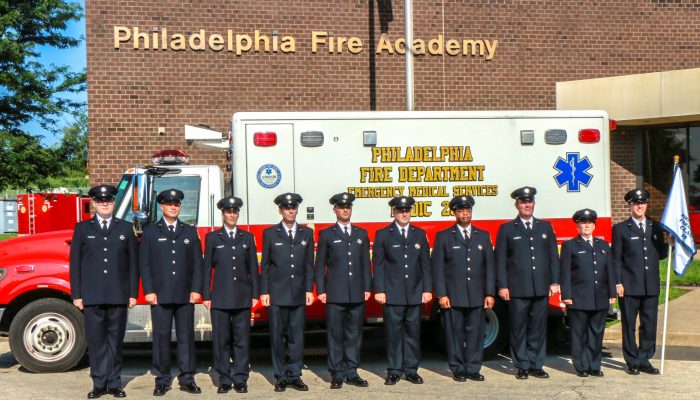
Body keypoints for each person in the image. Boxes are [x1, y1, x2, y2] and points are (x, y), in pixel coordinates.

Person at [69, 185, 138, 399]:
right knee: (97, 341)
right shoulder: (82, 229)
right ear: (95, 204)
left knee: (115, 342)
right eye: (101, 201)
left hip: (118, 295)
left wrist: (132, 293)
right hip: (92, 296)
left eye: (108, 200)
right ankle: (99, 383)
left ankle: (115, 383)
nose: (105, 203)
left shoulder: (125, 228)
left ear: (113, 203)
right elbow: (75, 265)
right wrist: (77, 294)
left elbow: (133, 265)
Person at [139, 189, 203, 396]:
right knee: (161, 338)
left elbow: (197, 264)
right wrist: (148, 290)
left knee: (186, 338)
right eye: (169, 204)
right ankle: (162, 379)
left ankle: (187, 378)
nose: (173, 207)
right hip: (160, 294)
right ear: (162, 206)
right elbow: (145, 264)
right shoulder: (150, 231)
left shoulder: (189, 231)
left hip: (185, 294)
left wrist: (196, 289)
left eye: (176, 204)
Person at [495, 186, 560, 379]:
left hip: (540, 288)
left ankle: (536, 364)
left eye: (529, 201)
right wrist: (503, 285)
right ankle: (521, 365)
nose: (527, 205)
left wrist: (555, 282)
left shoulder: (545, 227)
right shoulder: (507, 229)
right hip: (517, 289)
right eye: (523, 202)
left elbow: (552, 257)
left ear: (534, 203)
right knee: (518, 328)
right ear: (517, 205)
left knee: (538, 328)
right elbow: (500, 260)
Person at [431, 195, 495, 382]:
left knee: (475, 334)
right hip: (453, 295)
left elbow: (490, 267)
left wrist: (490, 292)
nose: (465, 213)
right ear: (455, 213)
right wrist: (441, 294)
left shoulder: (482, 235)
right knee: (454, 334)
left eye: (468, 210)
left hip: (477, 295)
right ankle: (458, 368)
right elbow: (438, 268)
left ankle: (473, 368)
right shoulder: (444, 236)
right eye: (461, 210)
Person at [372, 196, 432, 385]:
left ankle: (411, 370)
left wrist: (427, 289)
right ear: (394, 212)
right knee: (394, 334)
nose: (404, 213)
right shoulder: (383, 234)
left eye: (407, 210)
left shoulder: (419, 234)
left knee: (413, 333)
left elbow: (425, 265)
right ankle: (394, 371)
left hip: (414, 293)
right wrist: (380, 289)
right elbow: (378, 264)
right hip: (392, 293)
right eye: (400, 210)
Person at [202, 196, 259, 394]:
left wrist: (255, 293)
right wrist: (206, 295)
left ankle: (241, 378)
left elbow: (253, 267)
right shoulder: (212, 238)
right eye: (228, 212)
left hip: (243, 296)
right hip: (219, 297)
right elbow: (206, 268)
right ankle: (224, 379)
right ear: (223, 214)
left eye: (235, 212)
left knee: (241, 340)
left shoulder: (247, 237)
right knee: (221, 340)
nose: (232, 215)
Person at [315, 192, 371, 389]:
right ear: (335, 210)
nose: (345, 210)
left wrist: (367, 286)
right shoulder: (327, 234)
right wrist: (321, 290)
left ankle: (352, 371)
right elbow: (319, 264)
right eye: (341, 207)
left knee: (354, 334)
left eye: (348, 207)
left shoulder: (360, 233)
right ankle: (337, 373)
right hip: (334, 293)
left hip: (356, 292)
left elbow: (365, 262)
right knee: (335, 334)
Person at [260, 193, 315, 392]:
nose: (290, 211)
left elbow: (310, 264)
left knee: (297, 337)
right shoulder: (270, 233)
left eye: (293, 208)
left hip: (299, 293)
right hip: (277, 294)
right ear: (280, 210)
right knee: (277, 337)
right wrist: (264, 291)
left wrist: (309, 289)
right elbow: (265, 265)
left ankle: (295, 375)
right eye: (286, 208)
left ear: (297, 210)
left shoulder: (306, 233)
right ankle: (281, 376)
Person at [612, 189, 668, 375]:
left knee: (649, 324)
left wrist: (671, 243)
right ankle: (632, 360)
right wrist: (618, 282)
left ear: (646, 205)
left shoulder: (656, 227)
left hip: (650, 285)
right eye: (636, 203)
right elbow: (616, 259)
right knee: (629, 324)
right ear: (630, 205)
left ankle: (645, 359)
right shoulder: (620, 229)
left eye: (642, 203)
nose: (639, 206)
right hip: (629, 286)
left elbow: (661, 254)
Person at [560, 208, 616, 377]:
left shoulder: (603, 245)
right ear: (577, 226)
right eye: (582, 223)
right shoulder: (570, 246)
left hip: (599, 298)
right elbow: (565, 273)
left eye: (589, 223)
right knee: (579, 334)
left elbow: (610, 271)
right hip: (578, 299)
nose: (586, 225)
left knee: (596, 334)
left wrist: (612, 293)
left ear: (594, 225)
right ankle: (581, 366)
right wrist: (567, 295)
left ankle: (594, 365)